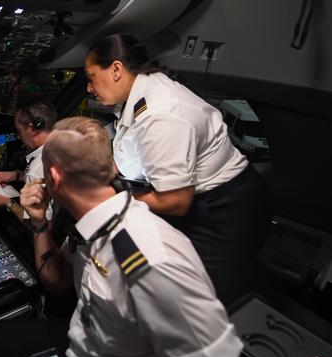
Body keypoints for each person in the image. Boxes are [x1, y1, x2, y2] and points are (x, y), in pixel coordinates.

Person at [0, 117, 242, 357]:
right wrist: (39, 223)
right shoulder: (93, 223)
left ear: (54, 178)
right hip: (85, 336)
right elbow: (56, 282)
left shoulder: (153, 262)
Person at [84, 34, 272, 305]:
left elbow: (175, 201)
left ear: (116, 69)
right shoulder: (140, 94)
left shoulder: (161, 114)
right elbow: (135, 149)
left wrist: (116, 199)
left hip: (227, 210)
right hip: (203, 198)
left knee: (198, 298)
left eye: (91, 77)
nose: (89, 88)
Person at [0, 98, 56, 222]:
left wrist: (8, 203)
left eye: (19, 131)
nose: (18, 136)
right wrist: (17, 175)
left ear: (32, 129)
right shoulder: (67, 144)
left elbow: (41, 224)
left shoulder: (37, 169)